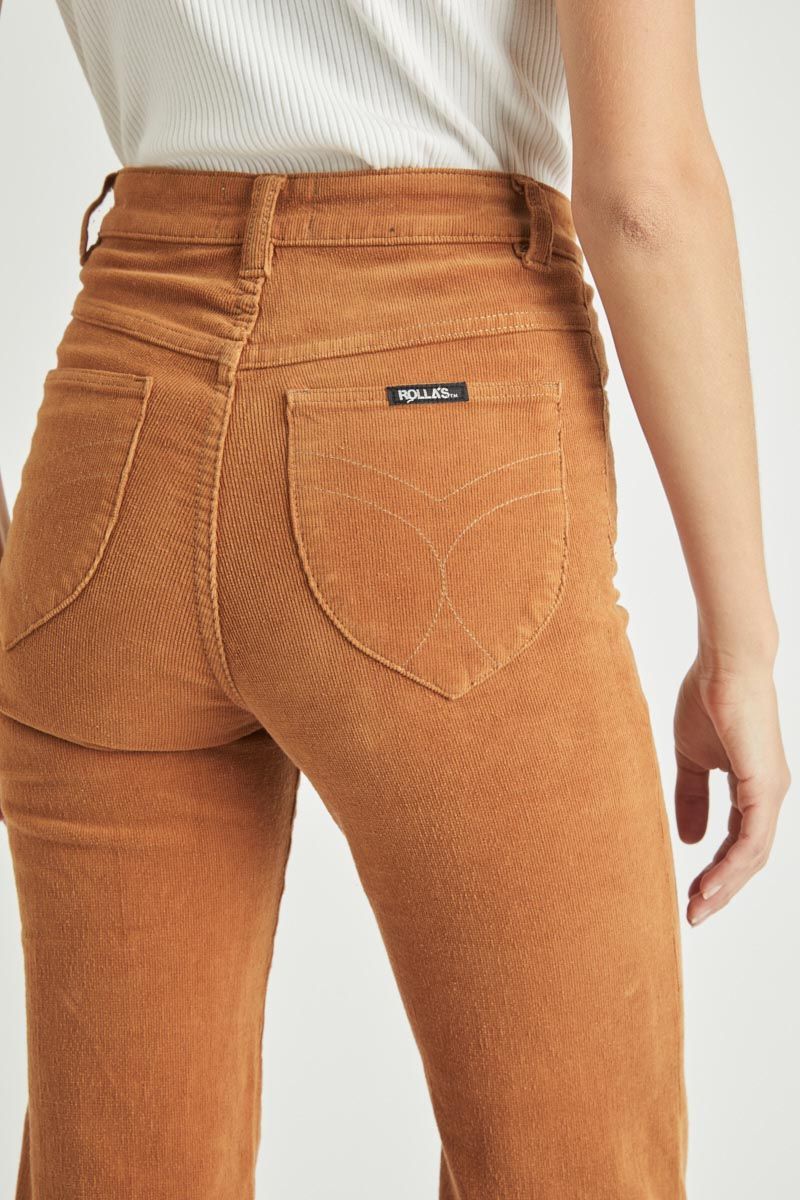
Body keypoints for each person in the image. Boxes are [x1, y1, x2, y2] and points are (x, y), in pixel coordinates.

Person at [0, 2, 790, 1198]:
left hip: (111, 430)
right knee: (569, 1165)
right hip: (436, 415)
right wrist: (740, 648)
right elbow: (643, 195)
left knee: (115, 1168)